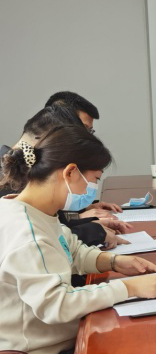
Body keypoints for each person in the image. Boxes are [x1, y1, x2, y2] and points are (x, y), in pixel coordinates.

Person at [0, 126, 156, 354]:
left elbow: (71, 249)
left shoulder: (30, 209)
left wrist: (114, 261)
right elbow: (57, 304)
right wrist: (129, 288)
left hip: (42, 350)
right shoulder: (26, 232)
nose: (92, 190)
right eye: (94, 179)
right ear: (70, 172)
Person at [2, 104, 131, 250]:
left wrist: (85, 217)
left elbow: (55, 225)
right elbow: (40, 237)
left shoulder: (28, 176)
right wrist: (91, 229)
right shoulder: (13, 190)